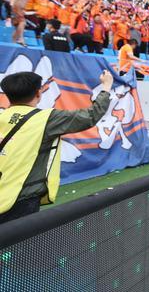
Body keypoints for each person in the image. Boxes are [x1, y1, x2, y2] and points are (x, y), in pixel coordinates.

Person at [0, 70, 113, 223]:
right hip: (22, 198)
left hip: (3, 192)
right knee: (21, 237)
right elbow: (91, 116)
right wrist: (106, 86)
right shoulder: (47, 119)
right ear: (38, 93)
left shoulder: (2, 117)